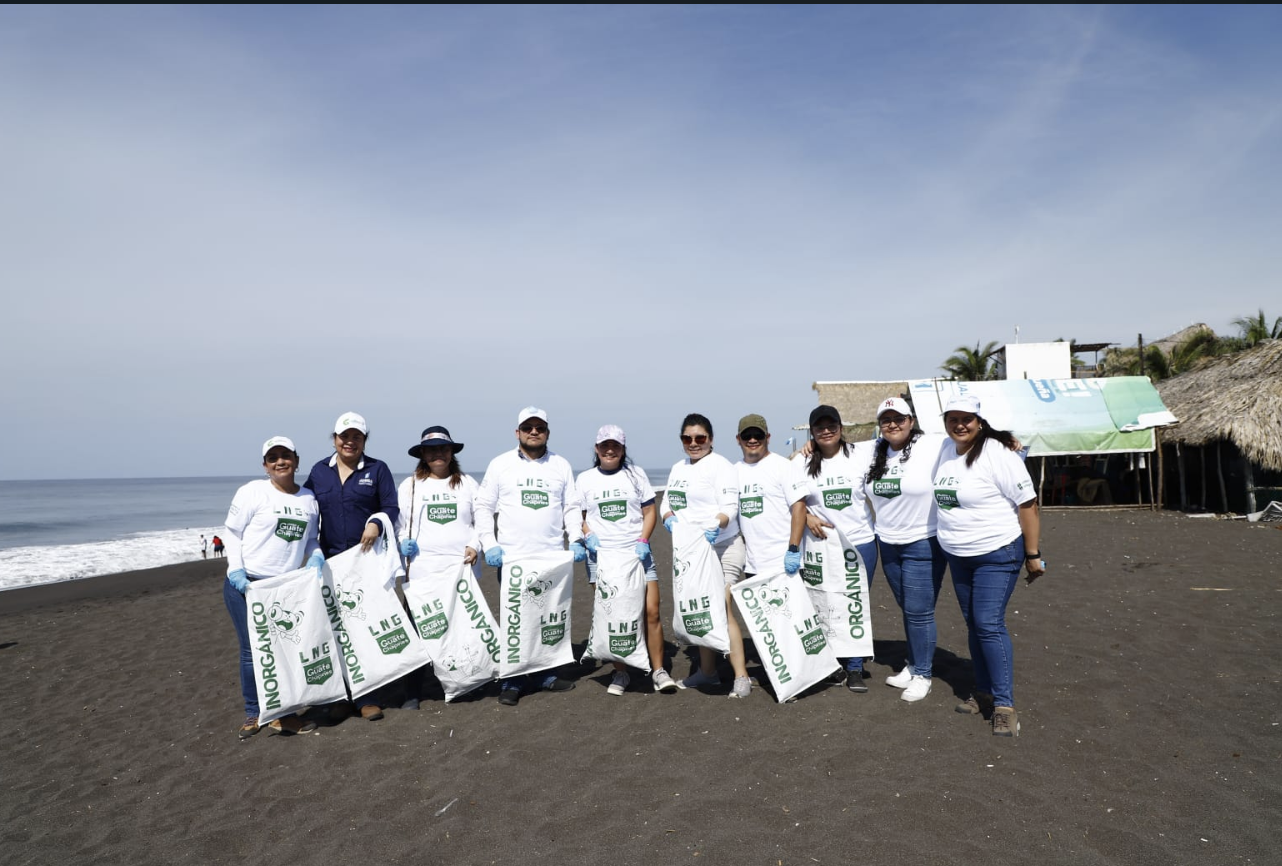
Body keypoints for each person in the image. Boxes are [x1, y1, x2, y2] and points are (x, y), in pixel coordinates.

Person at [933, 395, 1044, 737]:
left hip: (997, 552)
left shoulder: (998, 454)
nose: (960, 424)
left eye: (967, 418)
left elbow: (1027, 503)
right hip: (958, 554)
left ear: (979, 421)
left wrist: (1033, 554)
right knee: (973, 623)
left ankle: (1005, 706)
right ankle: (982, 691)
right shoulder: (943, 450)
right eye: (953, 418)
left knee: (988, 623)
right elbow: (889, 440)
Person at [475, 407, 585, 706]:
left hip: (550, 558)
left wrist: (575, 538)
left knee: (546, 618)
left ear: (547, 432)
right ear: (517, 432)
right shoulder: (500, 464)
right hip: (512, 559)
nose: (533, 432)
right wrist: (489, 543)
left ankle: (544, 674)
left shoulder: (560, 465)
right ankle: (512, 680)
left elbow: (572, 506)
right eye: (528, 427)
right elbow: (483, 506)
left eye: (539, 427)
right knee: (516, 619)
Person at [222, 436, 323, 739]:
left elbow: (312, 538)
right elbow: (232, 533)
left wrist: (316, 555)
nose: (280, 461)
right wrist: (235, 570)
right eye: (273, 457)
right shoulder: (252, 492)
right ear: (265, 465)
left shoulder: (308, 499)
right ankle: (254, 714)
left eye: (286, 455)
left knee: (284, 651)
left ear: (296, 460)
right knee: (253, 652)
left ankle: (284, 714)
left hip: (284, 588)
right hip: (248, 586)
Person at [303, 411, 401, 721]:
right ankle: (342, 696)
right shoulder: (319, 472)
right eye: (344, 436)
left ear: (364, 440)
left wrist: (375, 522)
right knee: (336, 631)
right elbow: (305, 511)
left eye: (356, 436)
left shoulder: (377, 469)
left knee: (364, 628)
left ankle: (367, 696)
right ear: (334, 439)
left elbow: (391, 507)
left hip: (365, 563)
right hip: (330, 563)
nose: (350, 441)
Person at [577, 425, 678, 695]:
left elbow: (649, 511)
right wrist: (587, 536)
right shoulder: (585, 479)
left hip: (636, 555)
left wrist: (644, 540)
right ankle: (621, 673)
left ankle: (658, 670)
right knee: (614, 615)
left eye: (616, 446)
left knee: (652, 611)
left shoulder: (636, 475)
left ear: (623, 450)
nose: (610, 450)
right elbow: (578, 517)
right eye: (604, 446)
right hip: (602, 559)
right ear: (596, 449)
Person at [863, 398, 950, 703]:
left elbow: (972, 438)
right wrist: (803, 449)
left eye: (899, 418)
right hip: (887, 542)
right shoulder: (874, 449)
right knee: (909, 609)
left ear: (911, 420)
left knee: (919, 612)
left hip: (923, 541)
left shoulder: (933, 445)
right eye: (886, 419)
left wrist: (1006, 439)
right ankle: (913, 665)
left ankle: (923, 674)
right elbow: (834, 448)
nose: (893, 424)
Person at [661, 413, 748, 697]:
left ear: (710, 439)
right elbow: (667, 502)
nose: (694, 443)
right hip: (691, 550)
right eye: (688, 438)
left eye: (700, 438)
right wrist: (668, 518)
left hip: (722, 545)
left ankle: (741, 677)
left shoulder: (720, 466)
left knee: (720, 606)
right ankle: (708, 673)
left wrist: (716, 524)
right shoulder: (678, 468)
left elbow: (730, 506)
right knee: (700, 606)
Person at [795, 405, 878, 693]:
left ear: (841, 428)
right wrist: (806, 517)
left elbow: (901, 439)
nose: (826, 431)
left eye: (832, 426)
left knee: (855, 603)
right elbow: (788, 499)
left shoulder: (861, 454)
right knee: (826, 604)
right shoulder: (802, 462)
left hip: (861, 542)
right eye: (819, 427)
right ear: (812, 432)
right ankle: (832, 664)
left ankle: (855, 667)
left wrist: (1004, 440)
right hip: (821, 546)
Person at [395, 426, 480, 708]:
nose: (438, 453)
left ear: (452, 451)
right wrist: (402, 543)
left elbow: (482, 522)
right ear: (422, 454)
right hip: (422, 572)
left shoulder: (467, 484)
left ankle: (464, 680)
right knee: (418, 633)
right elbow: (399, 527)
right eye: (431, 450)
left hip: (459, 571)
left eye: (443, 448)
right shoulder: (410, 486)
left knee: (460, 629)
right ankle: (412, 692)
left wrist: (475, 545)